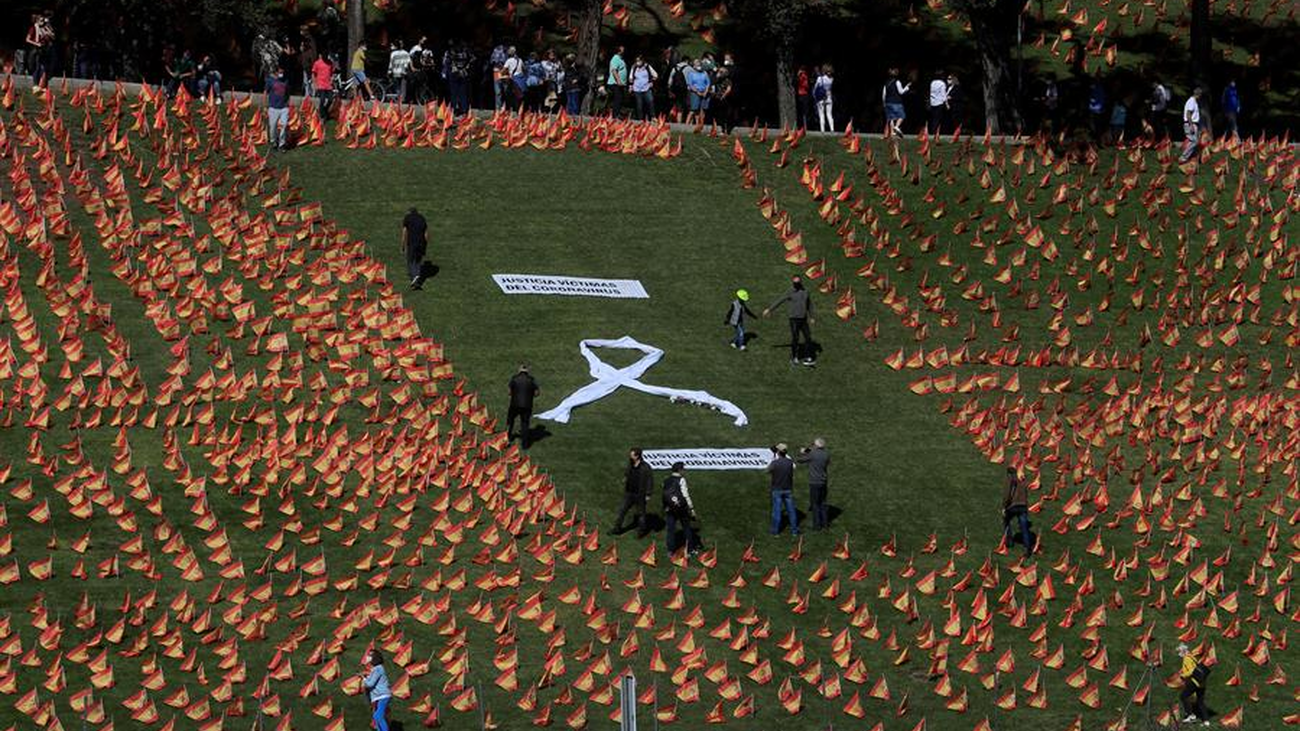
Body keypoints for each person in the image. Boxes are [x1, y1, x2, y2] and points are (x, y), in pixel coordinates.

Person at [763, 275, 815, 365]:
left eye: (797, 283)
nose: (796, 285)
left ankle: (808, 357)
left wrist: (812, 316)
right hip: (794, 319)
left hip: (803, 319)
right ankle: (794, 357)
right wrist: (769, 309)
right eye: (794, 283)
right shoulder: (790, 291)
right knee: (795, 338)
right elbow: (780, 300)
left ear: (800, 282)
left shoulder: (806, 291)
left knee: (808, 338)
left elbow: (809, 305)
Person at [613, 449, 653, 537]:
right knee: (622, 511)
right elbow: (628, 471)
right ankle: (617, 529)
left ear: (637, 456)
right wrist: (626, 477)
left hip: (640, 494)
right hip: (629, 493)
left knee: (641, 514)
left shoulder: (645, 467)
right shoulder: (631, 464)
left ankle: (642, 531)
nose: (630, 456)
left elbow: (650, 480)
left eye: (632, 455)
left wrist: (648, 494)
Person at [662, 462, 698, 554]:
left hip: (670, 508)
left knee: (670, 530)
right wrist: (691, 508)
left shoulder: (666, 480)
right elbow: (686, 495)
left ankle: (670, 550)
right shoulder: (681, 480)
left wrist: (665, 507)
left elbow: (664, 495)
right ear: (680, 470)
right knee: (686, 528)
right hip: (682, 508)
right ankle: (690, 549)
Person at [796, 438, 830, 530]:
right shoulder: (826, 454)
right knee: (823, 503)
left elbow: (799, 460)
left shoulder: (812, 454)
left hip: (814, 482)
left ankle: (817, 525)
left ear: (816, 445)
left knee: (815, 504)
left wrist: (803, 452)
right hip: (823, 481)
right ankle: (825, 524)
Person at [766, 445, 798, 536]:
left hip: (777, 489)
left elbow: (767, 470)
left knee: (777, 511)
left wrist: (773, 460)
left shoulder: (775, 463)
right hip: (788, 489)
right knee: (791, 511)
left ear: (778, 452)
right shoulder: (790, 462)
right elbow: (793, 466)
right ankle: (794, 531)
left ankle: (775, 532)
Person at [1001, 467, 1032, 557]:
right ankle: (1027, 548)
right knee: (1024, 528)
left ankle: (1009, 541)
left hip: (1013, 505)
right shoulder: (1023, 480)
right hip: (1023, 506)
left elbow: (1007, 494)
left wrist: (1004, 506)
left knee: (1006, 520)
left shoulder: (1011, 479)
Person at [1177, 643, 1211, 725]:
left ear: (1183, 651)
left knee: (1183, 696)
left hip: (1194, 681)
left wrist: (1182, 675)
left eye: (1179, 652)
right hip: (1202, 683)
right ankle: (1206, 721)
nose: (1179, 654)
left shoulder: (1186, 658)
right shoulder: (1192, 657)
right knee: (1200, 701)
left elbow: (1192, 671)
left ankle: (1190, 716)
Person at [506, 364, 539, 449]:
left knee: (510, 421)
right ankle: (525, 445)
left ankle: (507, 437)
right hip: (527, 406)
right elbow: (537, 393)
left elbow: (509, 392)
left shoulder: (514, 379)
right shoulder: (531, 380)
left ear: (519, 370)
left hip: (515, 404)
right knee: (524, 424)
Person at [360, 648, 392, 731]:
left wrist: (363, 679)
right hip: (377, 697)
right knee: (376, 717)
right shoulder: (375, 669)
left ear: (375, 658)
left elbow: (370, 683)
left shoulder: (378, 668)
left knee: (378, 716)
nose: (367, 657)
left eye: (370, 655)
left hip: (383, 695)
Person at [400, 207, 430, 290]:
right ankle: (416, 280)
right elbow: (426, 233)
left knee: (410, 260)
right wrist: (425, 245)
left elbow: (404, 232)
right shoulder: (422, 218)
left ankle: (415, 276)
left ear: (409, 212)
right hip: (421, 243)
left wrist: (402, 245)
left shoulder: (408, 218)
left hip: (412, 243)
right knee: (418, 260)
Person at [25, 13, 54, 88]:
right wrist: (36, 44)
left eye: (43, 20)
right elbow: (27, 39)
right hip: (36, 50)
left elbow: (52, 36)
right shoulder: (33, 28)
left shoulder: (45, 28)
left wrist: (48, 29)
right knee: (37, 67)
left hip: (44, 50)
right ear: (37, 21)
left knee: (43, 67)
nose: (43, 22)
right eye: (41, 20)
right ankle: (35, 84)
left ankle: (42, 84)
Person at [265, 66, 291, 152]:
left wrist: (287, 103)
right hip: (273, 108)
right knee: (273, 126)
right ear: (276, 73)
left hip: (284, 108)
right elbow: (265, 92)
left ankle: (282, 144)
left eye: (282, 72)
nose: (281, 74)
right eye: (280, 72)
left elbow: (288, 93)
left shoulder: (286, 81)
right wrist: (265, 106)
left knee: (284, 125)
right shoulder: (270, 81)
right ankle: (273, 142)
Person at [446, 42, 474, 115]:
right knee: (456, 92)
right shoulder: (452, 51)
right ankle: (456, 109)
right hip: (457, 73)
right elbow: (449, 61)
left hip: (460, 73)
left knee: (461, 92)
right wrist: (462, 69)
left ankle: (462, 109)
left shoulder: (464, 51)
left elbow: (473, 59)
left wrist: (464, 68)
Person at [882, 68, 910, 136]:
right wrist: (907, 87)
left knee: (891, 118)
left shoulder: (886, 83)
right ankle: (897, 127)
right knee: (902, 116)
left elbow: (884, 94)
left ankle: (892, 132)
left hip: (888, 103)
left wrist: (884, 103)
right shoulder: (897, 82)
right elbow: (901, 92)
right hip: (897, 102)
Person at [630, 55, 658, 120]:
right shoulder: (634, 67)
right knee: (639, 105)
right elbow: (631, 78)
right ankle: (640, 119)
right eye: (636, 61)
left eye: (639, 60)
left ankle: (653, 116)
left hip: (646, 88)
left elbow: (655, 75)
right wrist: (631, 86)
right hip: (637, 88)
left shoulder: (647, 67)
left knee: (650, 102)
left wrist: (651, 81)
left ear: (642, 61)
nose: (638, 62)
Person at [1180, 87, 1203, 163]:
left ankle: (1193, 158)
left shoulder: (1194, 101)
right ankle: (1183, 157)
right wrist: (1191, 125)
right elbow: (1188, 113)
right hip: (1190, 123)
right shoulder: (1191, 101)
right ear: (1199, 94)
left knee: (1193, 141)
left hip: (1193, 123)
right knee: (1194, 141)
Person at [685, 58, 711, 125]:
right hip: (695, 93)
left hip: (704, 92)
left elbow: (708, 83)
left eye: (699, 62)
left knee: (702, 110)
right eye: (696, 63)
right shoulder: (691, 74)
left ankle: (699, 124)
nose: (698, 64)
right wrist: (697, 92)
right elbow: (690, 84)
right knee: (693, 110)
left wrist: (705, 92)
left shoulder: (704, 73)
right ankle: (686, 125)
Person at [606, 45, 628, 117]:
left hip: (620, 83)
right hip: (615, 83)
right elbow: (614, 70)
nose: (623, 50)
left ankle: (617, 113)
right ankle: (615, 115)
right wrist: (618, 80)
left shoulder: (621, 59)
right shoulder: (615, 58)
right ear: (618, 51)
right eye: (622, 49)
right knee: (617, 99)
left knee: (619, 99)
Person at [312, 53, 335, 119]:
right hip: (320, 84)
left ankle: (324, 110)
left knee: (331, 99)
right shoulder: (317, 63)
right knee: (322, 99)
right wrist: (315, 84)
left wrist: (332, 79)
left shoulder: (330, 63)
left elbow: (332, 73)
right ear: (321, 55)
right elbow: (313, 73)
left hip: (328, 85)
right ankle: (322, 114)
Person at [814, 65, 834, 132]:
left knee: (821, 115)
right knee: (829, 114)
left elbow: (815, 88)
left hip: (821, 99)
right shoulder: (831, 79)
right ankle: (832, 129)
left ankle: (822, 130)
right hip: (829, 98)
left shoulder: (820, 79)